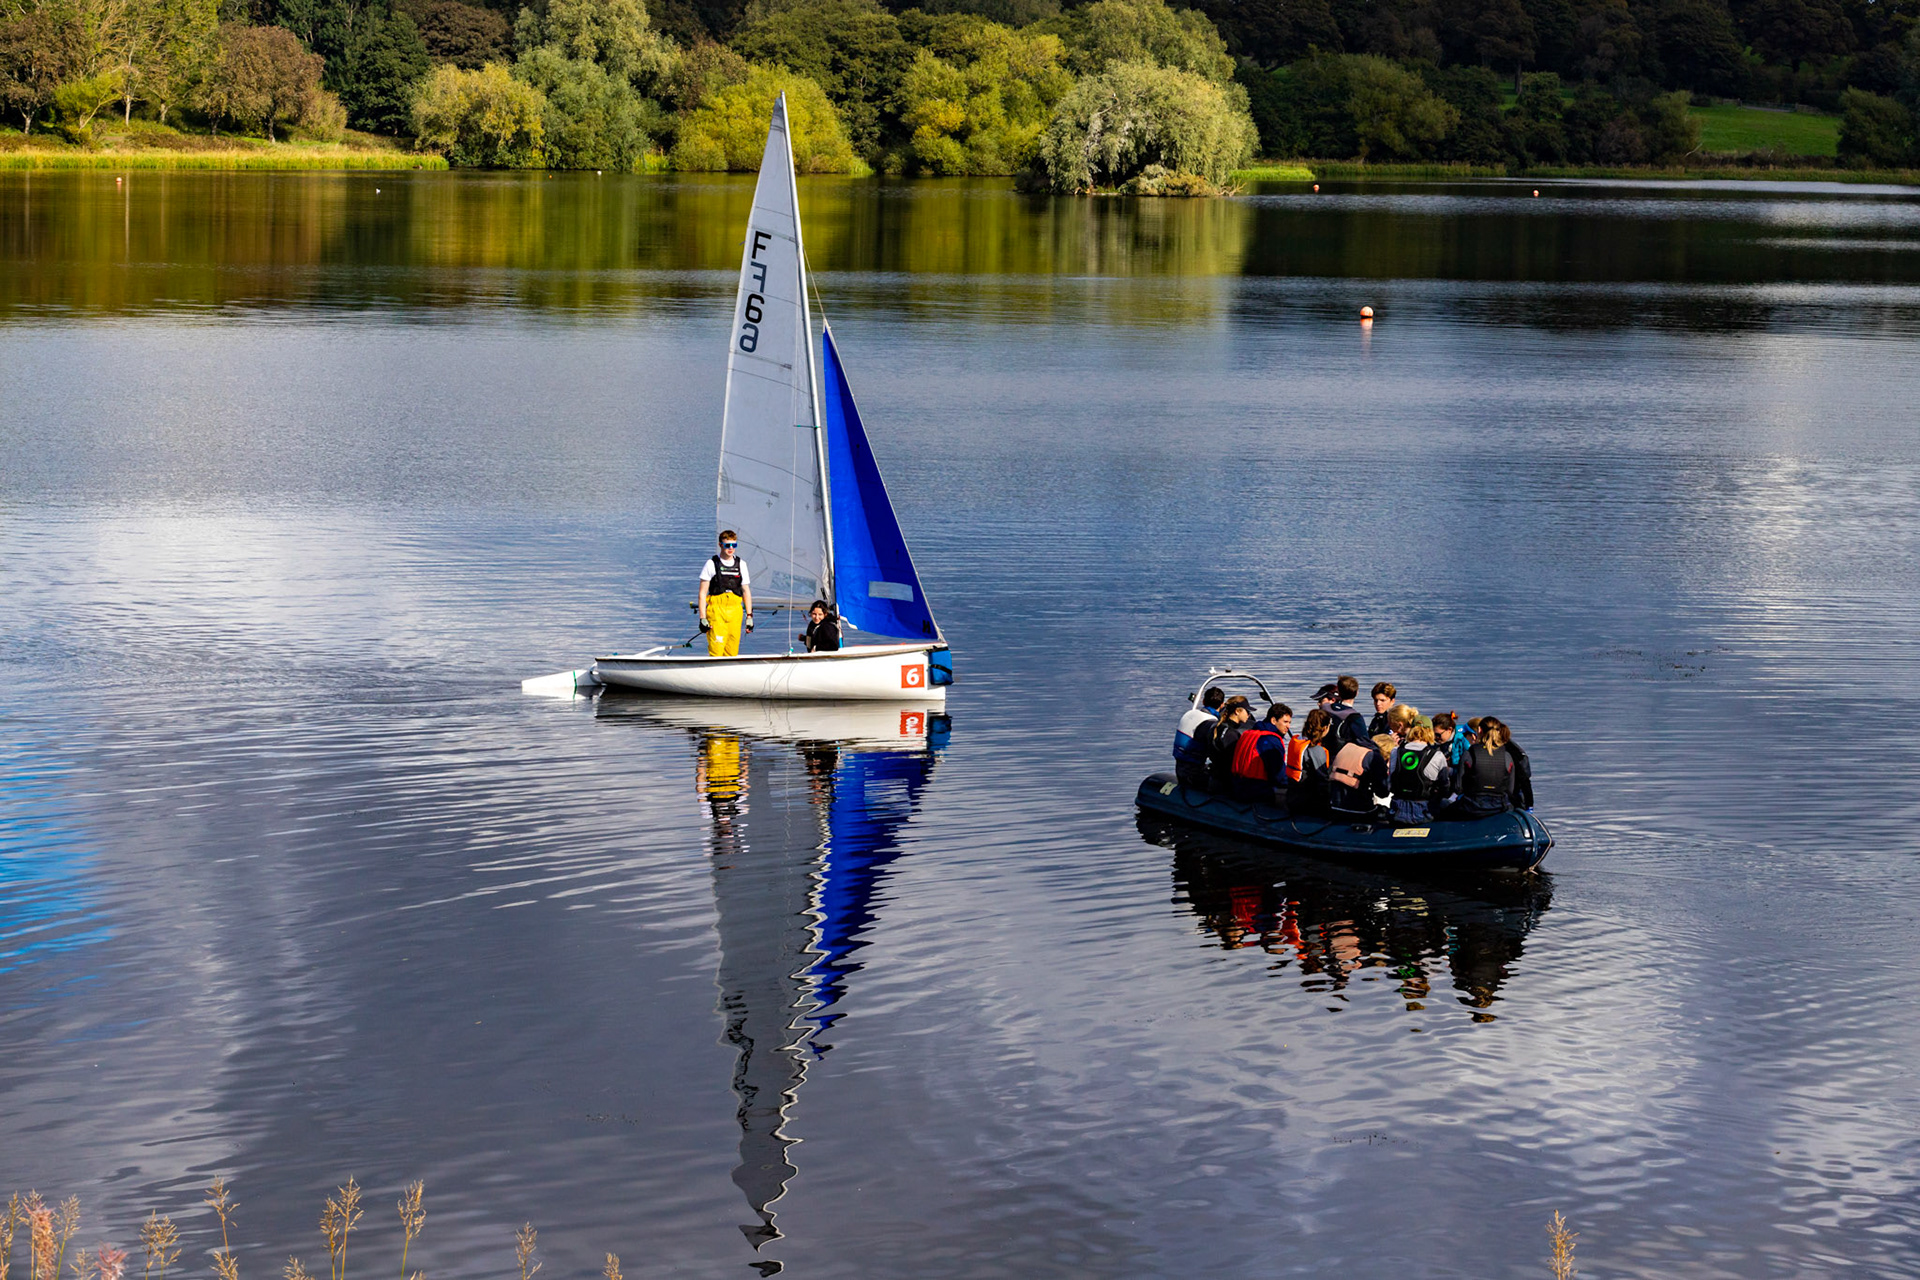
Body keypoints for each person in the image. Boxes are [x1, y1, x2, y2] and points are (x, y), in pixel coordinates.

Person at [698, 530, 754, 658]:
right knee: (717, 649)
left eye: (734, 545)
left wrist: (749, 616)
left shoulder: (742, 564)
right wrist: (702, 618)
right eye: (727, 545)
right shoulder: (711, 564)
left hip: (735, 612)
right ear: (720, 545)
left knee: (732, 651)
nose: (730, 549)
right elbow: (702, 594)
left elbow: (746, 591)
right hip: (716, 612)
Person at [1449, 717, 1517, 817]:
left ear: (1479, 730)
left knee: (1443, 806)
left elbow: (1458, 787)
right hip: (1499, 807)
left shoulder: (1469, 754)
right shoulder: (1507, 756)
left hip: (1471, 807)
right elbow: (1510, 790)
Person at [1387, 722, 1452, 824]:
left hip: (1397, 809)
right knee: (1447, 803)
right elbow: (1445, 787)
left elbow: (1390, 781)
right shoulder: (1437, 756)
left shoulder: (1395, 752)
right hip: (1424, 811)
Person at [1228, 702, 1294, 803]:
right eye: (1285, 722)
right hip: (1258, 791)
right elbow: (1278, 775)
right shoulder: (1270, 741)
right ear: (1273, 720)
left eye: (1289, 723)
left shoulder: (1248, 733)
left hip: (1238, 786)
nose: (1288, 726)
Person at [1174, 687, 1226, 790]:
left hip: (1180, 768)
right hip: (1195, 773)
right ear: (1222, 704)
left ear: (1203, 701)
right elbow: (1216, 753)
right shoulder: (1210, 723)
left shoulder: (1189, 714)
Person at [1286, 709, 1335, 814]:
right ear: (1325, 728)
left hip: (1293, 795)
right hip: (1307, 802)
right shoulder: (1316, 750)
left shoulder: (1297, 741)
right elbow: (1323, 781)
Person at [1206, 696, 1253, 792]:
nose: (1249, 715)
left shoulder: (1216, 727)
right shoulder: (1231, 734)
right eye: (1247, 711)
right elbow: (1231, 761)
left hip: (1215, 778)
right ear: (1237, 711)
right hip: (1226, 783)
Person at [1315, 676, 1372, 751]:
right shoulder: (1354, 717)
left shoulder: (1325, 708)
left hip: (1323, 752)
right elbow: (1365, 743)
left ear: (1339, 692)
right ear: (1357, 693)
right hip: (1342, 756)